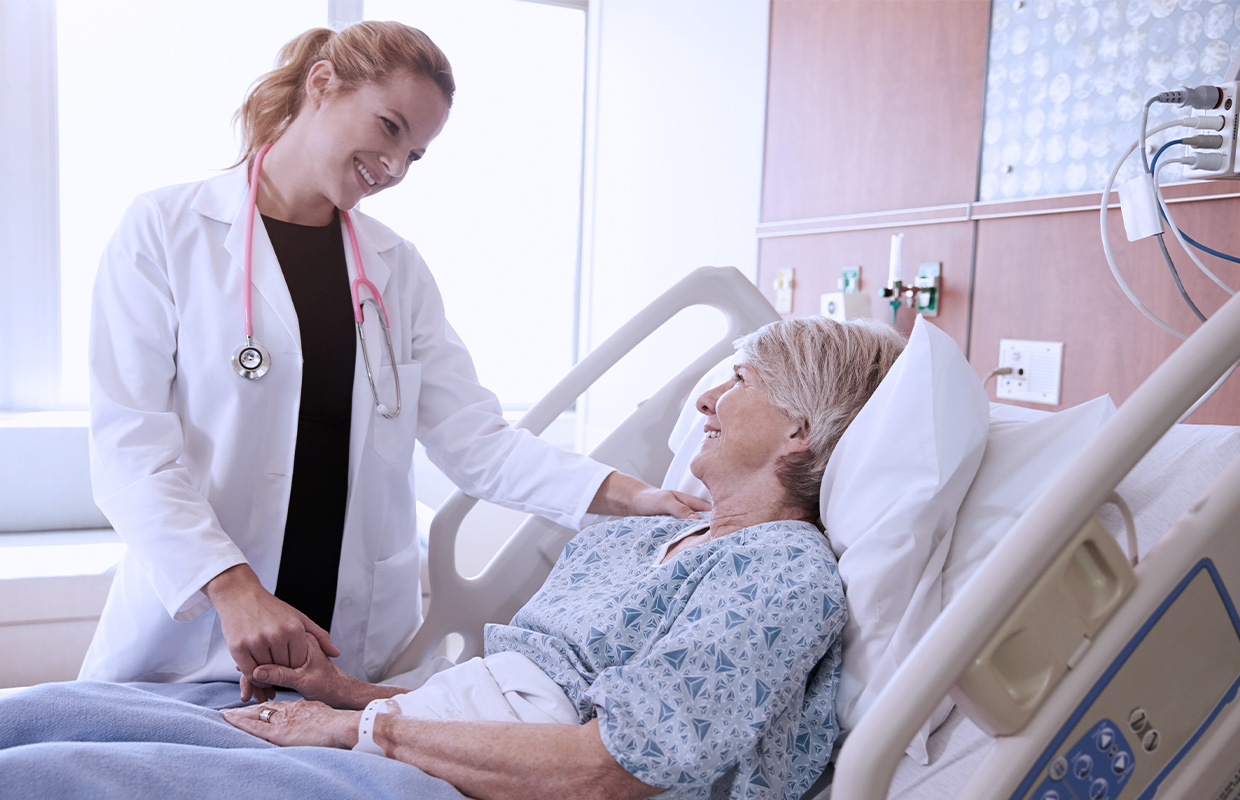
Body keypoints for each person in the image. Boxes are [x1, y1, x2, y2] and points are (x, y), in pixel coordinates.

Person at [1, 316, 907, 800]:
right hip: (416, 733)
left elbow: (604, 769)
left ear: (800, 428)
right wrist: (350, 694)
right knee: (42, 715)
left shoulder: (779, 574)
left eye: (739, 380)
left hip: (464, 783)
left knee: (55, 781)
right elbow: (520, 687)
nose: (708, 395)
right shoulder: (640, 537)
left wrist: (367, 731)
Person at [81, 20, 707, 702]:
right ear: (322, 85)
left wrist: (634, 497)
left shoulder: (394, 270)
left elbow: (477, 443)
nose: (395, 168)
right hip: (196, 642)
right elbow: (131, 450)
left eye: (416, 154)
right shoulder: (167, 231)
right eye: (389, 128)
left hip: (348, 656)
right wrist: (234, 589)